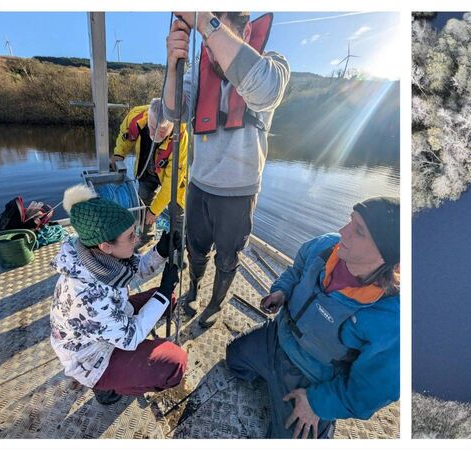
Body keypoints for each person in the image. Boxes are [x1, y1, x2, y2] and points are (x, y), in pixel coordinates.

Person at [226, 197, 400, 438]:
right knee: (233, 359)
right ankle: (272, 382)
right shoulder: (325, 246)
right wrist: (281, 291)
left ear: (388, 257)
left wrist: (318, 403)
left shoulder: (392, 320)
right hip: (277, 337)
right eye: (350, 220)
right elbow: (296, 270)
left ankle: (314, 416)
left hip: (313, 378)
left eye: (359, 231)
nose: (343, 231)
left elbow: (370, 392)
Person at [164, 11, 290, 328]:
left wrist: (204, 22)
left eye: (217, 34)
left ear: (246, 32)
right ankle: (193, 290)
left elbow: (265, 90)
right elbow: (173, 111)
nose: (210, 49)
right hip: (199, 186)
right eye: (206, 42)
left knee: (228, 257)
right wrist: (173, 64)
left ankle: (215, 304)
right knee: (195, 249)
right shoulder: (199, 70)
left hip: (239, 192)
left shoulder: (272, 64)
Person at [49, 184, 186, 405]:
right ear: (106, 246)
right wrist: (163, 289)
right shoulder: (88, 296)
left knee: (167, 301)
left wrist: (160, 251)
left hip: (109, 319)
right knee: (175, 363)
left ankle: (123, 371)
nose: (137, 238)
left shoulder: (94, 254)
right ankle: (106, 386)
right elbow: (130, 337)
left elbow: (136, 269)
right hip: (92, 357)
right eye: (131, 236)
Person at [110, 98, 188, 247]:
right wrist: (119, 154)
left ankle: (177, 246)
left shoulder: (181, 139)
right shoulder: (136, 116)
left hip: (173, 179)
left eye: (162, 132)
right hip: (146, 171)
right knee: (143, 204)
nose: (155, 135)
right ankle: (147, 239)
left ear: (172, 124)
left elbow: (171, 183)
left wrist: (155, 211)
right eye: (152, 128)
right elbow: (125, 136)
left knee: (177, 211)